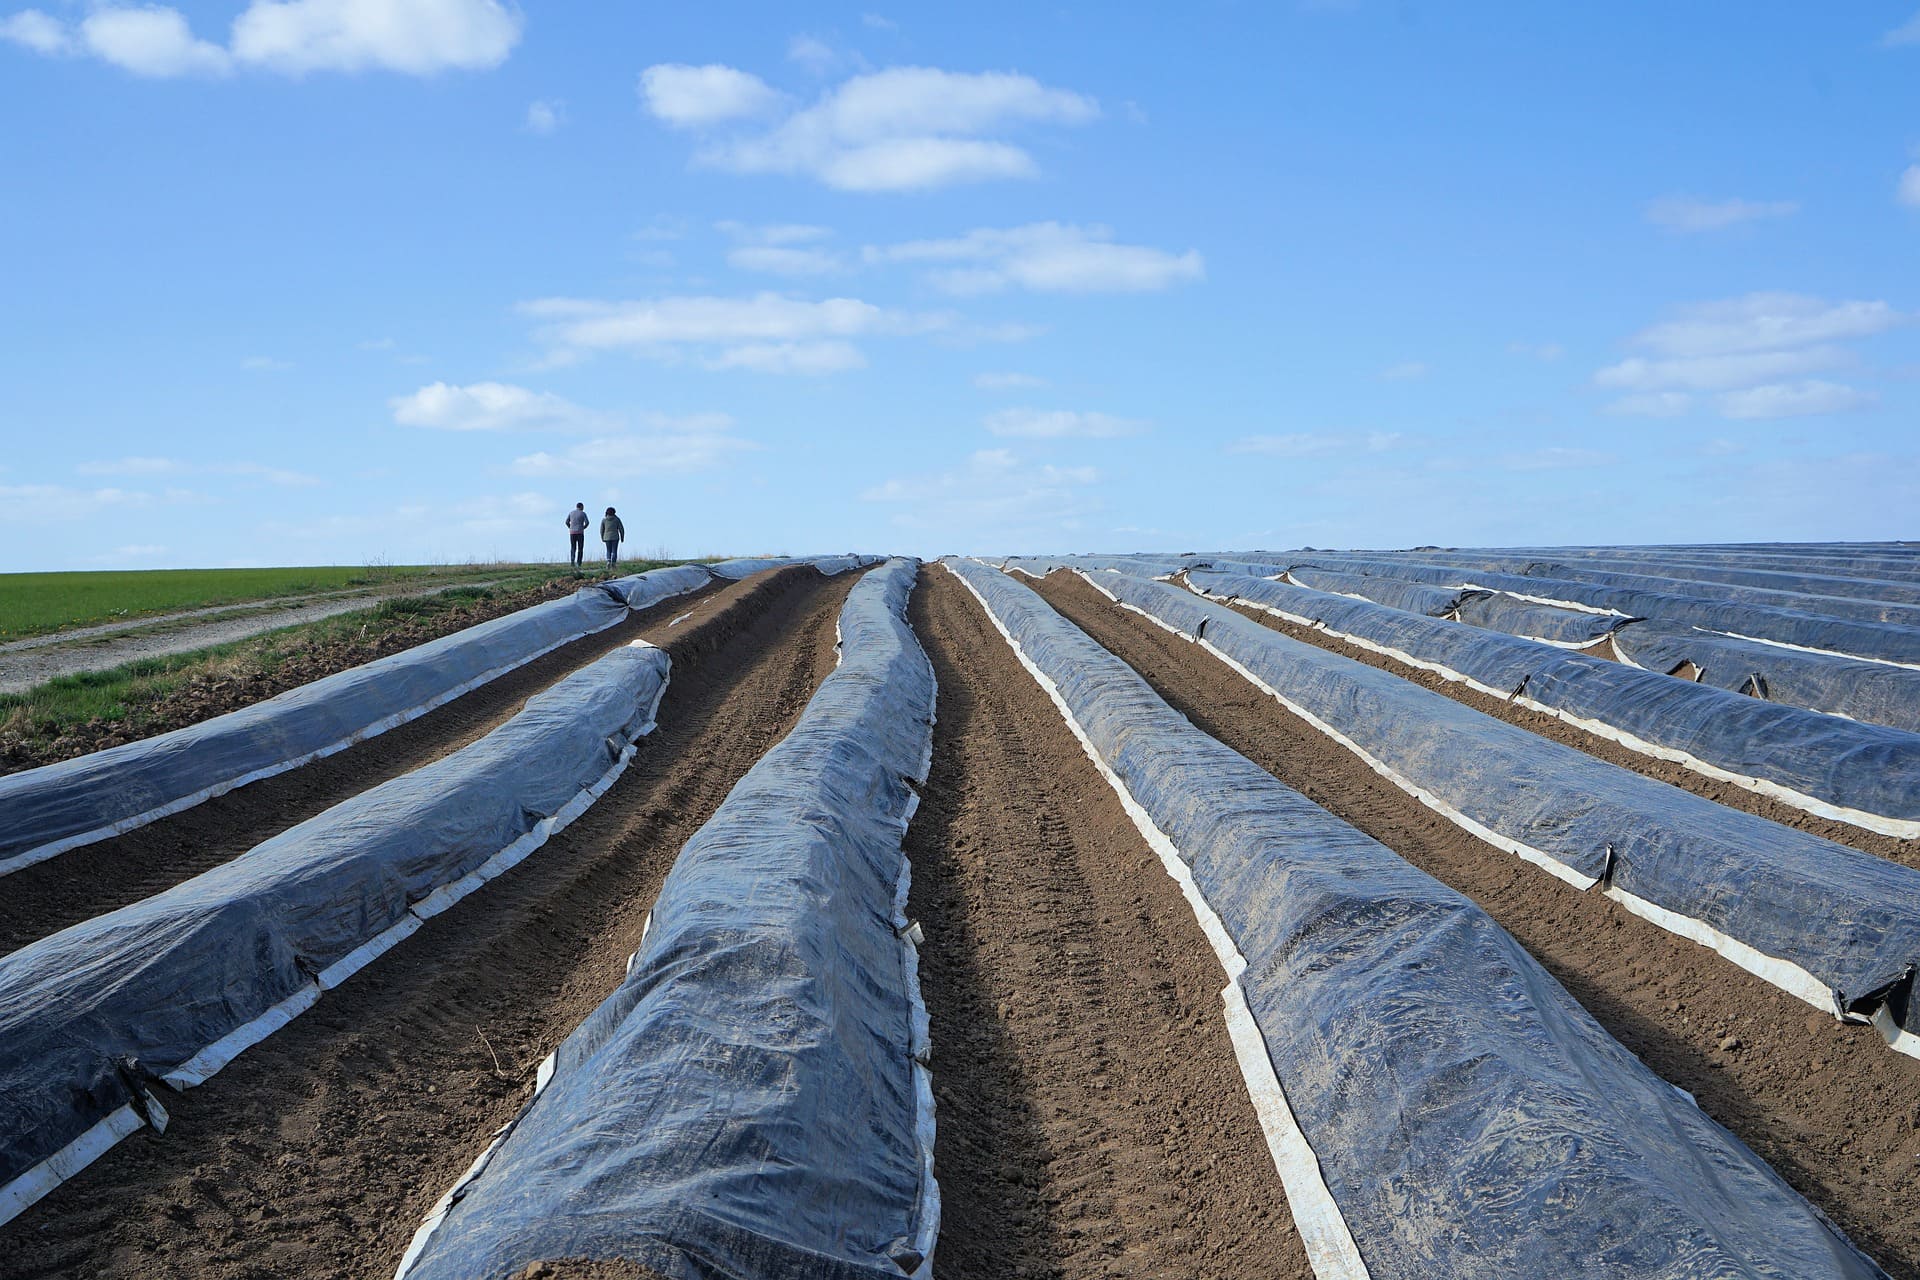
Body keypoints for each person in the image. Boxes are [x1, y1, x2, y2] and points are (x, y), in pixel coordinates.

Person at [564, 502, 589, 568]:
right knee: (580, 548)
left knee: (573, 547)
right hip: (580, 532)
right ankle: (579, 563)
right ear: (581, 507)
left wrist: (570, 527)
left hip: (572, 532)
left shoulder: (571, 513)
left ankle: (572, 561)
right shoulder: (583, 513)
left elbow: (566, 522)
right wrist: (583, 527)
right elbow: (587, 522)